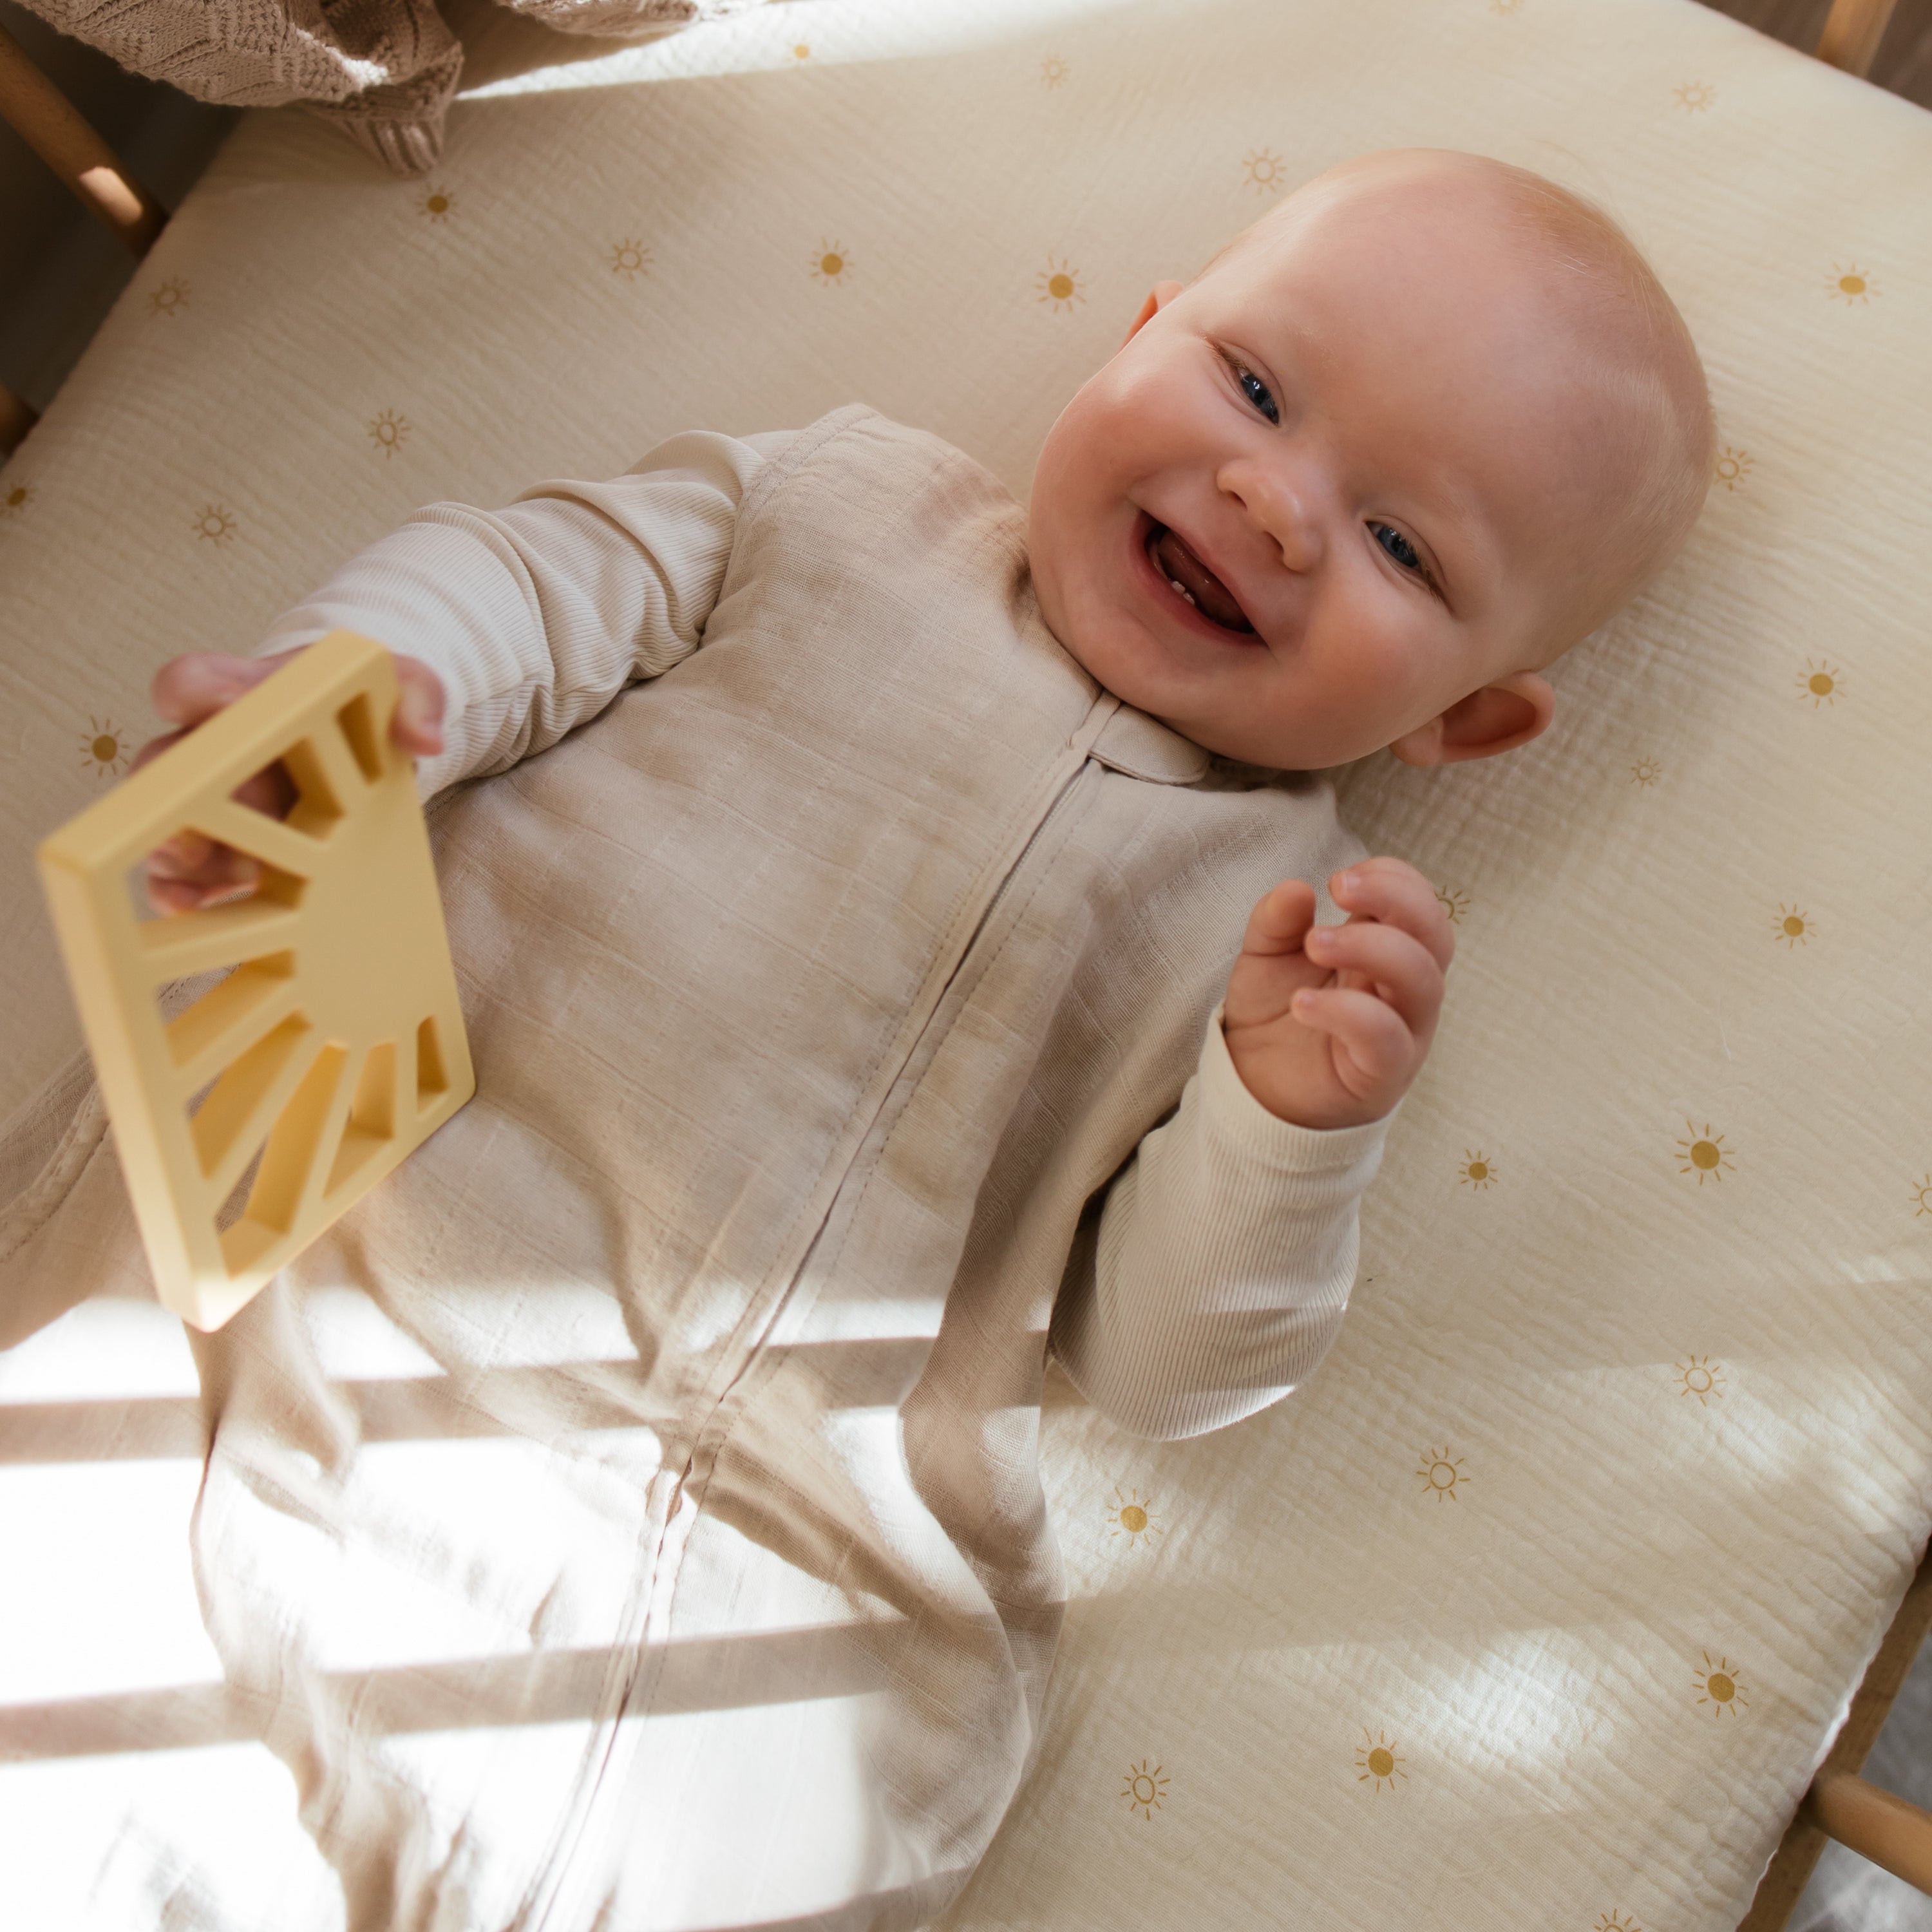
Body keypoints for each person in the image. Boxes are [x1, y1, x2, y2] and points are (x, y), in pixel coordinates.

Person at [111, 148, 1711, 1927]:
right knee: (110, 1670)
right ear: (1143, 329)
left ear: (1467, 721)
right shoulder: (837, 504)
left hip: (793, 1556)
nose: (1272, 502)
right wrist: (350, 699)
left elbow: (1164, 1367)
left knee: (713, 1849)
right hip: (351, 1270)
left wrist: (1289, 1124)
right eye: (1254, 385)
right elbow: (536, 582)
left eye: (1404, 543)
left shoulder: (1293, 936)